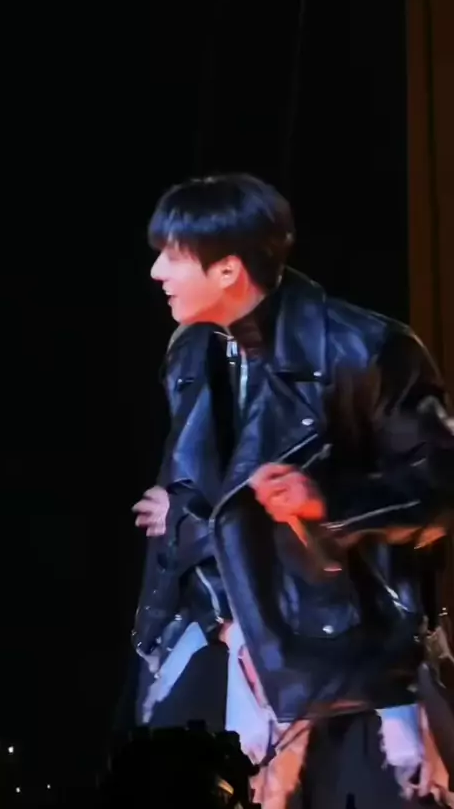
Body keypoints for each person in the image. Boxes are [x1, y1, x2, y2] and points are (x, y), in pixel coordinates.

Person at [129, 173, 454, 809]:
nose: (157, 272)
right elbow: (208, 493)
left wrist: (327, 504)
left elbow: (439, 485)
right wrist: (188, 518)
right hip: (214, 633)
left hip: (345, 656)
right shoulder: (191, 352)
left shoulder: (365, 349)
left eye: (173, 255)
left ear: (228, 270)